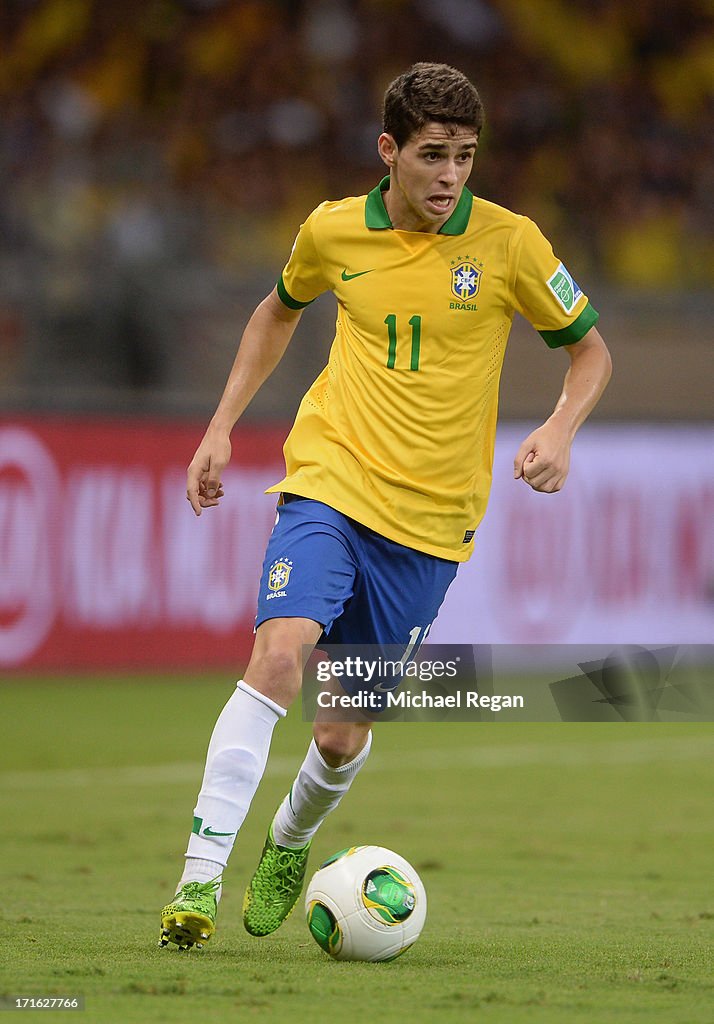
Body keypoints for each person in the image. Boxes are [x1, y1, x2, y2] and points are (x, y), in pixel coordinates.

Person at [159, 62, 612, 950]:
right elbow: (276, 312)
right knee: (279, 654)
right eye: (433, 155)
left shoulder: (512, 243)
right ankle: (196, 884)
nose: (450, 176)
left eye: (466, 158)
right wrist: (220, 426)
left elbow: (590, 352)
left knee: (337, 730)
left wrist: (560, 428)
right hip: (331, 478)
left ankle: (289, 842)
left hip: (432, 524)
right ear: (389, 151)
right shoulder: (331, 231)